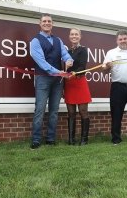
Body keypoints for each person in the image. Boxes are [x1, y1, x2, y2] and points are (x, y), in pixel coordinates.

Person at [29, 13, 73, 149]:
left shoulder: (58, 40)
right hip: (43, 78)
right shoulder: (35, 41)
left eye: (49, 21)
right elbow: (41, 61)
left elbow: (65, 55)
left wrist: (69, 60)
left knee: (54, 111)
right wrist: (58, 72)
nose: (47, 23)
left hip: (57, 81)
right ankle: (36, 140)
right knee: (40, 110)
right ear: (40, 23)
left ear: (52, 24)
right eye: (44, 21)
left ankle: (50, 138)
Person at [64, 28, 92, 145]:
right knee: (71, 112)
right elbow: (66, 69)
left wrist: (74, 72)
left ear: (80, 36)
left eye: (76, 34)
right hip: (69, 83)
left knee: (83, 111)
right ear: (69, 36)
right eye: (72, 34)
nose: (74, 36)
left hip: (79, 82)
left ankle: (84, 139)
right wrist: (66, 69)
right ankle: (71, 139)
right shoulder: (66, 52)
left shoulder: (83, 50)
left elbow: (82, 66)